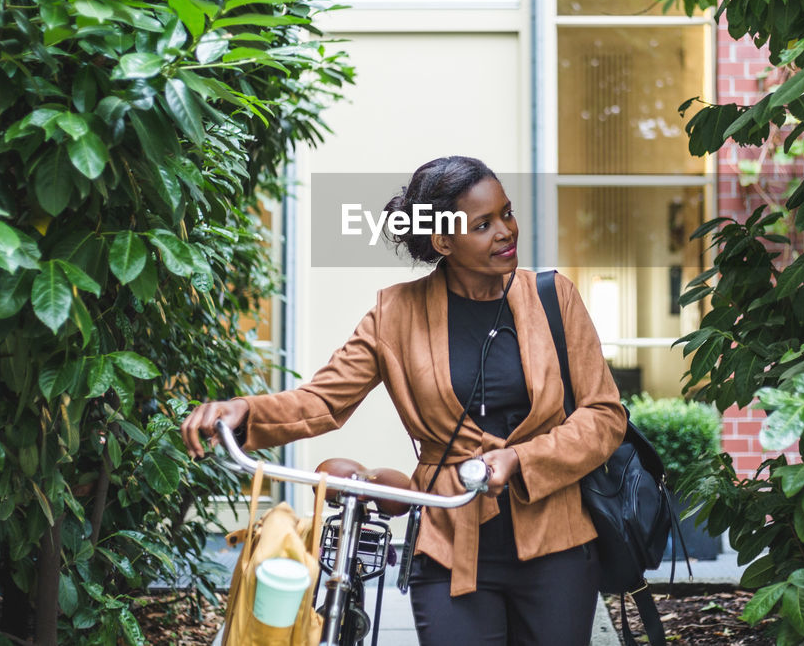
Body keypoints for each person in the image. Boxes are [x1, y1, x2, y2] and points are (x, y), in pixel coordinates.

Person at [181, 156, 627, 646]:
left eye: (507, 212)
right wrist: (244, 411)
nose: (505, 231)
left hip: (558, 545)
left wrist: (519, 459)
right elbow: (323, 399)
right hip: (446, 543)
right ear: (443, 241)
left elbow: (604, 416)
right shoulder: (394, 312)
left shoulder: (553, 297)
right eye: (483, 224)